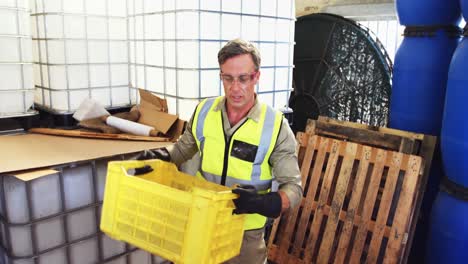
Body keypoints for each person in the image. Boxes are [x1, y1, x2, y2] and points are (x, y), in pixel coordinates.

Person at [144, 38, 302, 264]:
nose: (235, 88)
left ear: (256, 77)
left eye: (243, 78)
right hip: (202, 222)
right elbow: (182, 149)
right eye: (227, 78)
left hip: (245, 236)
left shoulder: (275, 126)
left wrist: (262, 203)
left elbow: (294, 189)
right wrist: (161, 156)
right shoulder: (204, 111)